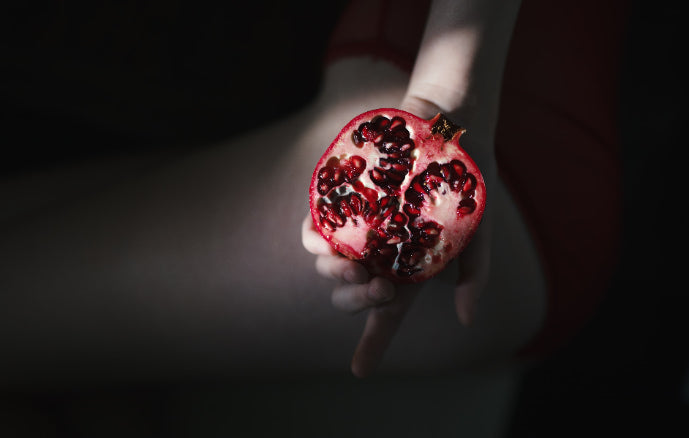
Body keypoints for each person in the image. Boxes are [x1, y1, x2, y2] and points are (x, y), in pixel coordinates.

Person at [0, 0, 624, 386]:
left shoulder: (441, 120)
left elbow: (448, 118)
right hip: (532, 128)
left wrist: (451, 99)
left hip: (474, 162)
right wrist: (452, 107)